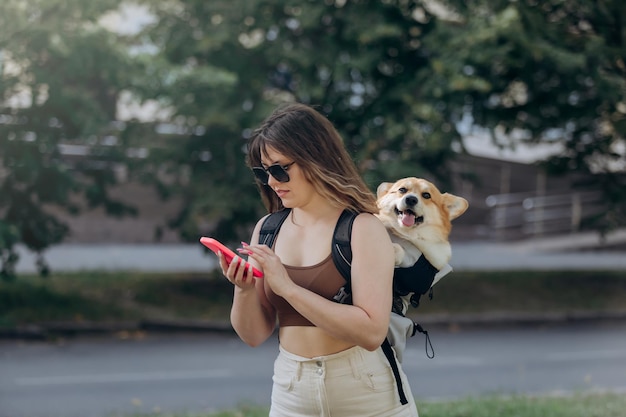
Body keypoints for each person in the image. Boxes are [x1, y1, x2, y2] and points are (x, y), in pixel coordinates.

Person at [217, 102, 419, 416]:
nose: (271, 181)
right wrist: (243, 290)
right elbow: (255, 335)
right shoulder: (268, 229)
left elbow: (370, 331)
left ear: (315, 158)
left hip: (365, 393)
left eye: (280, 169)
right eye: (263, 172)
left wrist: (289, 288)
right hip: (291, 392)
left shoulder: (361, 228)